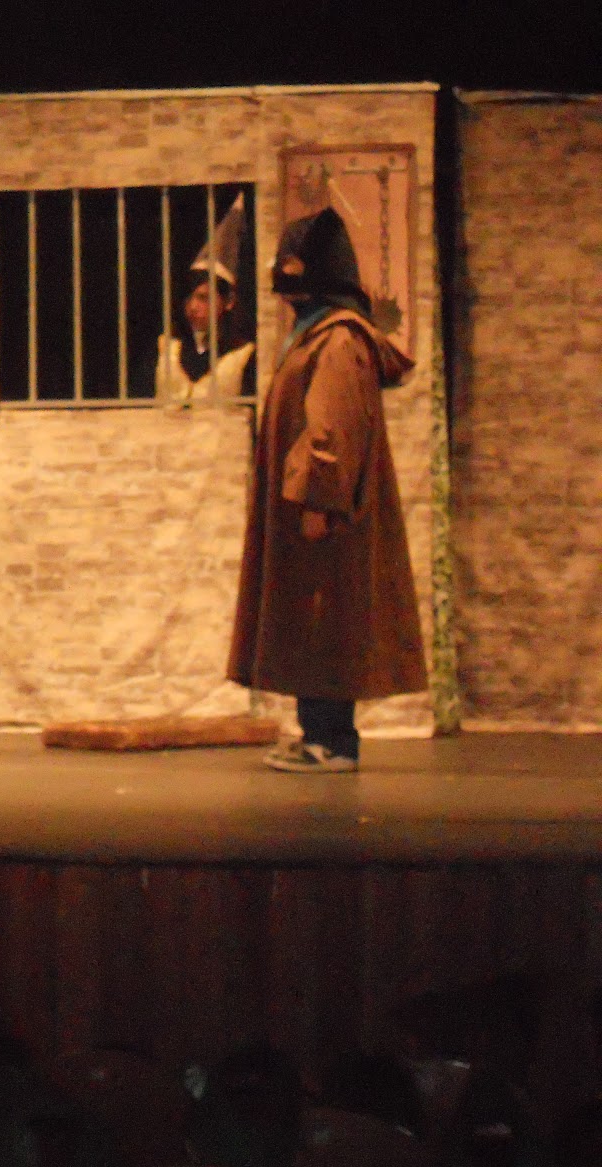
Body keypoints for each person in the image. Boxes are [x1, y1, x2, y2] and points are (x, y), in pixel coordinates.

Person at [227, 206, 427, 773]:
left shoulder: (337, 341)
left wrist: (318, 499)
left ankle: (332, 742)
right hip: (309, 505)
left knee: (325, 618)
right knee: (311, 618)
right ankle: (319, 733)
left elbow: (331, 427)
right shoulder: (317, 335)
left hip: (322, 508)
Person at [154, 192, 256, 403]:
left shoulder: (243, 354)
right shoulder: (167, 348)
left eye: (204, 298)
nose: (193, 307)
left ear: (228, 301)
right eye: (189, 298)